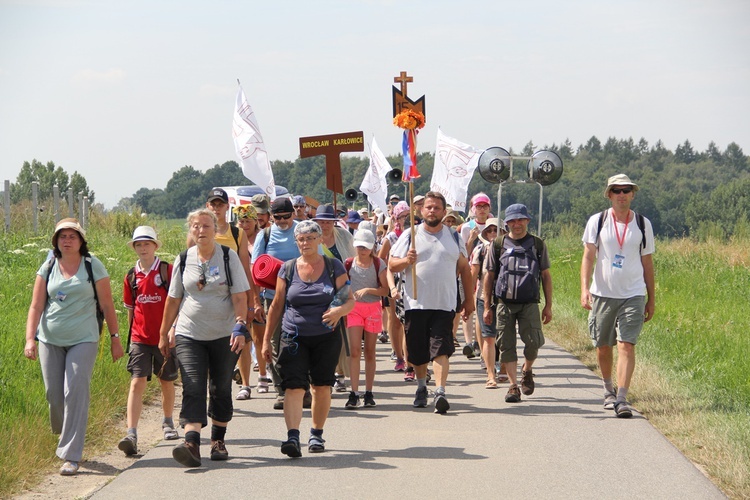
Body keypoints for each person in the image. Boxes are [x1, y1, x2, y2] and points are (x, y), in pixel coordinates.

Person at [24, 218, 124, 476]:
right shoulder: (47, 266)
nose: (67, 240)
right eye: (62, 236)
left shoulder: (93, 266)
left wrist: (115, 337)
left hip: (84, 338)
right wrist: (30, 339)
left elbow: (107, 305)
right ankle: (64, 430)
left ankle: (71, 455)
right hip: (49, 339)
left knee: (75, 392)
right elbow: (36, 306)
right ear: (56, 241)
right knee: (54, 395)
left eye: (72, 236)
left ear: (81, 241)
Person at [159, 209, 251, 467]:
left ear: (215, 229)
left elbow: (240, 296)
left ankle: (218, 440)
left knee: (221, 386)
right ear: (191, 230)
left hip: (224, 333)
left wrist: (240, 325)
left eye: (206, 226)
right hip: (190, 332)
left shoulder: (227, 256)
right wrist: (165, 332)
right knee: (193, 384)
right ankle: (191, 443)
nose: (201, 231)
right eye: (196, 226)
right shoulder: (183, 259)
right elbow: (174, 298)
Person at [262, 220, 355, 457]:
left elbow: (349, 299)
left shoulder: (334, 267)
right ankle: (293, 436)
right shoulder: (288, 269)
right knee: (293, 386)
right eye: (301, 239)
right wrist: (265, 340)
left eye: (310, 238)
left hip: (326, 336)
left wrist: (338, 311)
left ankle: (316, 433)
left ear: (320, 240)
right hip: (293, 336)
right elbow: (276, 305)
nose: (306, 243)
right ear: (296, 242)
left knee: (321, 386)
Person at [389, 192, 474, 414]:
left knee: (440, 348)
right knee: (417, 351)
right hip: (415, 303)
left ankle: (440, 391)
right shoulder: (410, 235)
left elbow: (465, 269)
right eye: (428, 207)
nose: (432, 211)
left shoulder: (454, 238)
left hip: (445, 304)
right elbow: (391, 265)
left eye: (437, 207)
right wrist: (406, 260)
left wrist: (469, 301)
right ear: (420, 210)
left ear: (444, 212)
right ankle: (421, 386)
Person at [580, 174, 655, 418]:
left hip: (633, 293)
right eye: (617, 190)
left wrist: (651, 298)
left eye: (626, 190)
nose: (621, 194)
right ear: (610, 195)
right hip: (602, 293)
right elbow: (588, 256)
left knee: (626, 345)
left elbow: (647, 262)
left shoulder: (643, 224)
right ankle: (607, 389)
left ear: (633, 194)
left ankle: (622, 398)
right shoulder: (598, 221)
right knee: (603, 346)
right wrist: (584, 289)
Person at [482, 204, 552, 403]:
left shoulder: (537, 244)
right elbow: (489, 276)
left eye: (520, 219)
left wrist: (548, 305)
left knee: (533, 342)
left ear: (528, 220)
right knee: (506, 345)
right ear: (506, 223)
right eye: (512, 220)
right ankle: (513, 386)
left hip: (529, 302)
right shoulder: (498, 244)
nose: (517, 224)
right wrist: (487, 306)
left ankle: (527, 369)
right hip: (504, 303)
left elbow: (546, 276)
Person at [118, 226, 178, 457]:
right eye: (138, 244)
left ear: (155, 246)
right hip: (140, 338)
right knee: (136, 382)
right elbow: (131, 310)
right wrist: (129, 336)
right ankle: (131, 433)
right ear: (134, 248)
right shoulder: (131, 276)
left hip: (164, 337)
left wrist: (173, 329)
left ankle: (168, 422)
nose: (143, 248)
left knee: (166, 380)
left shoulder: (167, 271)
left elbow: (177, 302)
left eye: (147, 244)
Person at [203, 188, 260, 402]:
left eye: (220, 204)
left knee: (242, 338)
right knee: (210, 340)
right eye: (213, 204)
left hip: (234, 293)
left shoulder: (238, 234)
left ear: (227, 207)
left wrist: (252, 299)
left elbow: (246, 268)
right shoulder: (200, 232)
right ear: (208, 206)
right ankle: (216, 384)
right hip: (209, 294)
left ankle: (245, 384)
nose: (217, 208)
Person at [252, 197, 306, 409]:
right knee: (275, 344)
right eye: (277, 217)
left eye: (286, 216)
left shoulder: (303, 230)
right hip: (271, 298)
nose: (282, 221)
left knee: (301, 342)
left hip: (301, 298)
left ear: (293, 213)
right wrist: (255, 302)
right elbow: (255, 271)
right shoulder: (264, 235)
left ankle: (301, 387)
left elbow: (317, 260)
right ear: (271, 217)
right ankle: (281, 390)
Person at [313, 204, 356, 392]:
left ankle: (339, 373)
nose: (324, 225)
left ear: (334, 222)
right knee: (321, 333)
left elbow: (354, 260)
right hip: (318, 291)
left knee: (339, 334)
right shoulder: (312, 238)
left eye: (328, 221)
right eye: (321, 221)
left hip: (341, 290)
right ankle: (323, 373)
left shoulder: (345, 236)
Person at [344, 229, 388, 408]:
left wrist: (369, 290)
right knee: (355, 351)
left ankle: (368, 392)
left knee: (370, 351)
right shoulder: (348, 264)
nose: (362, 250)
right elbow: (342, 286)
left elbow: (385, 290)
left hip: (373, 309)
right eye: (359, 246)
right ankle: (354, 392)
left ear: (372, 248)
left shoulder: (378, 264)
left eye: (366, 247)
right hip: (354, 308)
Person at [233, 204, 271, 395]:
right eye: (241, 221)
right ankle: (245, 384)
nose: (244, 225)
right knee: (243, 337)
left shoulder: (263, 238)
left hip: (261, 292)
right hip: (240, 292)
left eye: (248, 221)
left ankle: (263, 375)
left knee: (259, 336)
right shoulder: (235, 239)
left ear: (256, 221)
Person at [469, 218, 504, 388]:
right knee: (489, 337)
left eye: (496, 230)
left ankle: (503, 369)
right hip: (484, 298)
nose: (492, 234)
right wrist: (468, 300)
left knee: (505, 337)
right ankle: (491, 374)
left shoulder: (510, 250)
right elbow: (472, 276)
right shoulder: (479, 250)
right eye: (489, 231)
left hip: (507, 299)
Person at [377, 201, 410, 375]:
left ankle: (408, 355)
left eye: (407, 215)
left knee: (407, 320)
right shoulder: (390, 237)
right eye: (402, 216)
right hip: (394, 279)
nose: (405, 219)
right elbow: (380, 259)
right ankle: (398, 355)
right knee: (395, 319)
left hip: (410, 278)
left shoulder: (414, 233)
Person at [459, 193, 492, 359]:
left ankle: (479, 343)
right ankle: (468, 342)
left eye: (485, 206)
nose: (482, 209)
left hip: (487, 272)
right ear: (473, 209)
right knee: (469, 304)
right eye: (478, 206)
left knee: (480, 305)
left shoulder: (494, 225)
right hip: (470, 269)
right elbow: (463, 253)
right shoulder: (467, 227)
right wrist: (471, 240)